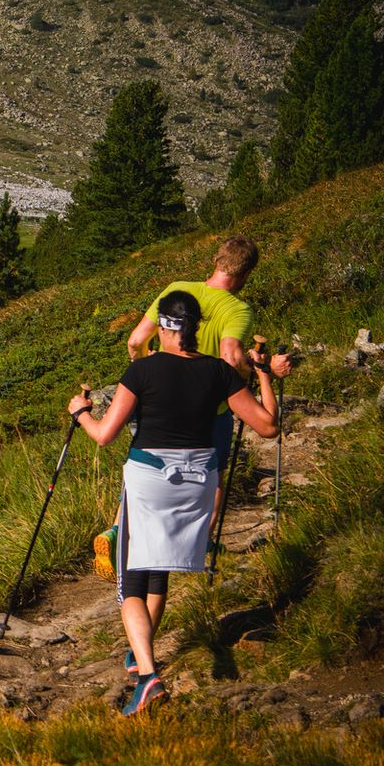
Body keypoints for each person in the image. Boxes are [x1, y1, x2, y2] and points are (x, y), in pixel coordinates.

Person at [67, 290, 279, 716]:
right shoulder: (220, 372)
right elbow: (268, 427)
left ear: (163, 327)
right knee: (158, 569)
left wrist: (80, 414)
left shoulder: (142, 370)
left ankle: (147, 677)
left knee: (130, 581)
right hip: (199, 481)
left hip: (150, 479)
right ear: (196, 327)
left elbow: (106, 434)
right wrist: (263, 376)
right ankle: (138, 655)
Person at [94, 236, 295, 579]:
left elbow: (135, 340)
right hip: (209, 407)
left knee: (144, 463)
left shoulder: (177, 290)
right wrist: (256, 370)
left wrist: (145, 370)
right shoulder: (237, 309)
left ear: (216, 260)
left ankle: (116, 530)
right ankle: (197, 541)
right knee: (211, 474)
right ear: (246, 273)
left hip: (154, 396)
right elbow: (231, 357)